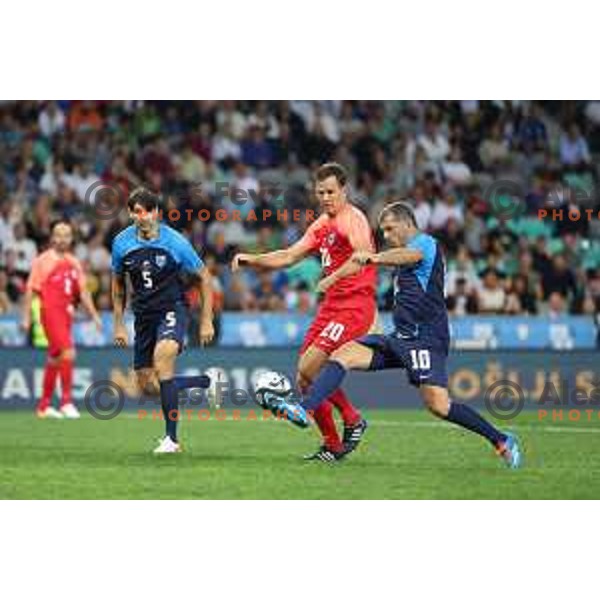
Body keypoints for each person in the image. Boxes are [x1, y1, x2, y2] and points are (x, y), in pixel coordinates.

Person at [276, 202, 522, 468]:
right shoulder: (400, 254)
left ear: (407, 224)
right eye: (383, 231)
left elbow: (410, 256)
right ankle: (306, 408)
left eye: (390, 229)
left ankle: (501, 440)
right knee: (342, 354)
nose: (386, 236)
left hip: (426, 339)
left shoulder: (427, 244)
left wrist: (376, 257)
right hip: (400, 337)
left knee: (439, 406)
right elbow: (374, 265)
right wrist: (332, 278)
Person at [232, 162, 377, 462]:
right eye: (321, 192)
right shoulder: (322, 224)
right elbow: (288, 255)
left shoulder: (354, 219)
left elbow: (364, 256)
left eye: (331, 191)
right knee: (304, 378)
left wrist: (333, 278)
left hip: (354, 305)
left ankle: (352, 418)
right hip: (331, 307)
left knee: (310, 368)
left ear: (344, 191)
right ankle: (333, 445)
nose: (326, 197)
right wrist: (252, 260)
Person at [111, 188, 215, 453]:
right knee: (147, 385)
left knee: (163, 358)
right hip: (143, 316)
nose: (141, 217)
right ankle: (204, 382)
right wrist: (119, 323)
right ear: (131, 213)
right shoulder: (122, 243)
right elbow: (118, 285)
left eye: (146, 211)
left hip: (172, 309)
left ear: (156, 213)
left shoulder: (176, 242)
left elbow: (204, 277)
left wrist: (206, 320)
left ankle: (172, 440)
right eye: (136, 212)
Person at [22, 221, 102, 419]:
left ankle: (44, 406)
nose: (62, 239)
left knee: (55, 357)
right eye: (58, 234)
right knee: (68, 352)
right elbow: (31, 289)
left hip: (66, 314)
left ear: (71, 239)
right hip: (50, 311)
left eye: (66, 235)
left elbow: (83, 292)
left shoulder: (74, 262)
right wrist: (25, 317)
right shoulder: (43, 260)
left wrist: (95, 315)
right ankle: (66, 402)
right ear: (52, 238)